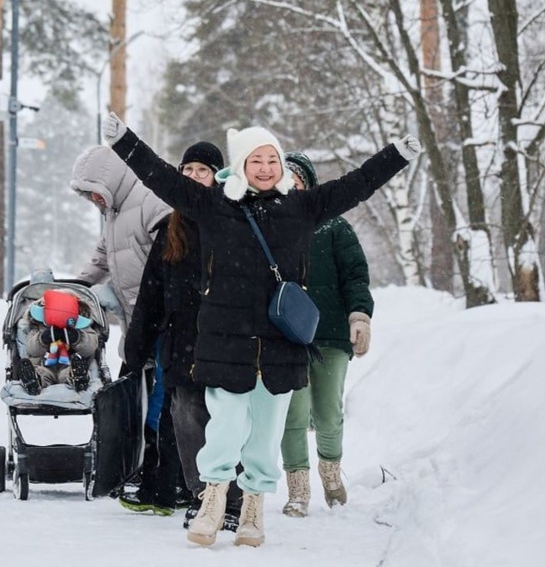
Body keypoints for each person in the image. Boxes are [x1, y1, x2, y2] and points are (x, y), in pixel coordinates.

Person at [101, 111, 421, 548]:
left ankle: (253, 507)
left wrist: (396, 156)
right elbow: (161, 178)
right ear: (241, 165)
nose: (267, 167)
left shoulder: (302, 207)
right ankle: (213, 499)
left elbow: (357, 185)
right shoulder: (216, 207)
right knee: (226, 428)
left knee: (266, 434)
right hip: (225, 342)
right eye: (257, 160)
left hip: (280, 345)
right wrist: (125, 143)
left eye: (273, 159)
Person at [123, 141, 242, 531]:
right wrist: (136, 347)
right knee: (185, 418)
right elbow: (151, 294)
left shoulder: (231, 221)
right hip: (181, 343)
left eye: (201, 171)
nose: (193, 178)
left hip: (226, 341)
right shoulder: (169, 231)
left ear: (217, 178)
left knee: (225, 421)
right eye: (187, 170)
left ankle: (233, 499)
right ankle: (203, 497)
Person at [69, 144, 172, 507]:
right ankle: (139, 464)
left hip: (164, 318)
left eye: (94, 190)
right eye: (88, 195)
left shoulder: (148, 199)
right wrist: (79, 286)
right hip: (139, 322)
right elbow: (102, 256)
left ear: (110, 179)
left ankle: (161, 469)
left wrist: (160, 300)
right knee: (139, 393)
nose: (93, 199)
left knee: (160, 396)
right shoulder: (114, 212)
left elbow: (171, 248)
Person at [278, 151, 374, 516]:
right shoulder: (271, 226)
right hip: (288, 337)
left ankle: (331, 473)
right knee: (293, 415)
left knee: (329, 412)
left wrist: (359, 317)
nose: (291, 186)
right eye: (285, 180)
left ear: (310, 184)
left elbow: (355, 275)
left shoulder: (335, 227)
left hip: (331, 335)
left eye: (297, 179)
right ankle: (298, 490)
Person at [17, 288, 99, 394]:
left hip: (70, 363)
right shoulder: (38, 327)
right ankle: (34, 381)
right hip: (44, 364)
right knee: (41, 372)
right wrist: (43, 339)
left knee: (69, 372)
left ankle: (78, 378)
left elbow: (90, 347)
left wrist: (77, 338)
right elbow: (31, 349)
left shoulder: (82, 328)